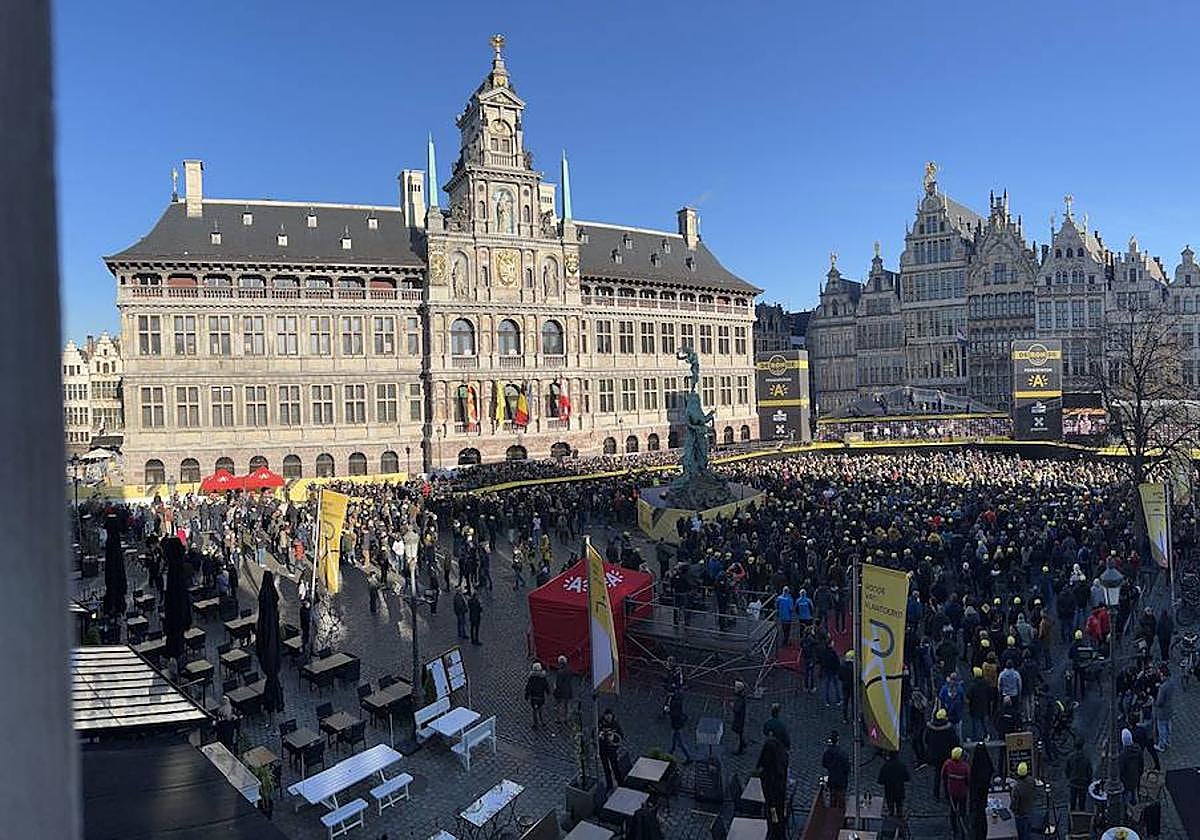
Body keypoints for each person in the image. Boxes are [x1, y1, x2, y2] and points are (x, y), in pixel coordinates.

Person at [925, 708, 959, 800]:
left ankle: (936, 794)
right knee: (946, 776)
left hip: (935, 755)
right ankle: (947, 795)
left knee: (937, 774)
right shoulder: (949, 728)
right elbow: (955, 741)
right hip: (946, 755)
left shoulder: (930, 728)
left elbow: (926, 740)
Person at [941, 745, 971, 838]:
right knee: (963, 809)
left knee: (953, 810)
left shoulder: (947, 763)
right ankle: (963, 828)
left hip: (951, 791)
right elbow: (969, 779)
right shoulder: (965, 766)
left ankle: (954, 828)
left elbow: (943, 775)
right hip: (962, 792)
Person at [876, 750, 911, 818]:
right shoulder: (901, 765)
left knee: (890, 808)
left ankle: (891, 818)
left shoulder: (885, 766)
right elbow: (907, 778)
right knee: (899, 806)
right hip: (899, 790)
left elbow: (880, 781)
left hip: (889, 790)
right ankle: (899, 818)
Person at [821, 730, 850, 808]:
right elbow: (847, 768)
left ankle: (832, 815)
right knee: (841, 800)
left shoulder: (827, 752)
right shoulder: (843, 753)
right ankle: (841, 816)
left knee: (832, 799)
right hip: (841, 780)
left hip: (832, 778)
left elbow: (824, 764)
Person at [597, 709, 625, 789]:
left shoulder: (615, 724)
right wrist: (600, 736)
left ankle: (620, 783)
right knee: (606, 769)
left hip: (612, 750)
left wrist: (613, 738)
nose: (608, 717)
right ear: (604, 716)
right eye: (607, 716)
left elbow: (621, 736)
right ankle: (609, 785)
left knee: (615, 767)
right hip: (603, 750)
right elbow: (594, 735)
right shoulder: (599, 724)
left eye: (610, 716)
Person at [1010, 761, 1037, 840]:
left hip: (1020, 815)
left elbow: (1015, 803)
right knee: (1028, 832)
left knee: (1021, 835)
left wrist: (1013, 809)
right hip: (1030, 811)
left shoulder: (1017, 787)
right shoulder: (1032, 781)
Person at [1064, 739, 1093, 812]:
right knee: (1082, 801)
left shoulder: (1070, 757)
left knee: (1073, 799)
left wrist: (1069, 777)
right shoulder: (1086, 758)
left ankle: (1072, 814)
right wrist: (1089, 781)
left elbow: (1067, 770)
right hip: (1083, 783)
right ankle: (1081, 815)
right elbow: (1089, 772)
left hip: (1073, 782)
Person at [1119, 728, 1143, 807]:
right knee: (1133, 790)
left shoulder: (1123, 755)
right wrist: (1140, 773)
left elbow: (1121, 769)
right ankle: (1133, 801)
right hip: (1135, 777)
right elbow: (1141, 763)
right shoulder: (1138, 749)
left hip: (1126, 780)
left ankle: (1125, 808)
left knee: (1125, 794)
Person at [1154, 663, 1176, 751]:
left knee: (1161, 728)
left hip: (1162, 711)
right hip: (1169, 709)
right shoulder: (1171, 683)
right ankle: (1167, 741)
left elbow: (1159, 701)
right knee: (1168, 727)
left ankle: (1161, 745)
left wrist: (1155, 703)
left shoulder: (1162, 688)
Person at [668, 689, 692, 762]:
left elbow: (675, 713)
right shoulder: (677, 701)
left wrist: (669, 712)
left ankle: (689, 757)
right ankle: (670, 754)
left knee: (680, 743)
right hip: (676, 725)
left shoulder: (674, 703)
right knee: (674, 742)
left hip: (677, 726)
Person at [524, 662, 549, 728]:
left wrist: (527, 695)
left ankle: (535, 723)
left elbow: (528, 687)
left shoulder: (531, 678)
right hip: (541, 696)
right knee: (541, 709)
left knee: (534, 711)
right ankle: (542, 722)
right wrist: (547, 692)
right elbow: (546, 686)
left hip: (534, 697)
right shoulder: (543, 677)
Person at [553, 655, 574, 724]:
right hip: (568, 689)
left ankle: (560, 719)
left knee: (561, 705)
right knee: (568, 705)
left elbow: (558, 683)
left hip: (561, 691)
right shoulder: (570, 670)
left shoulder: (560, 672)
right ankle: (567, 718)